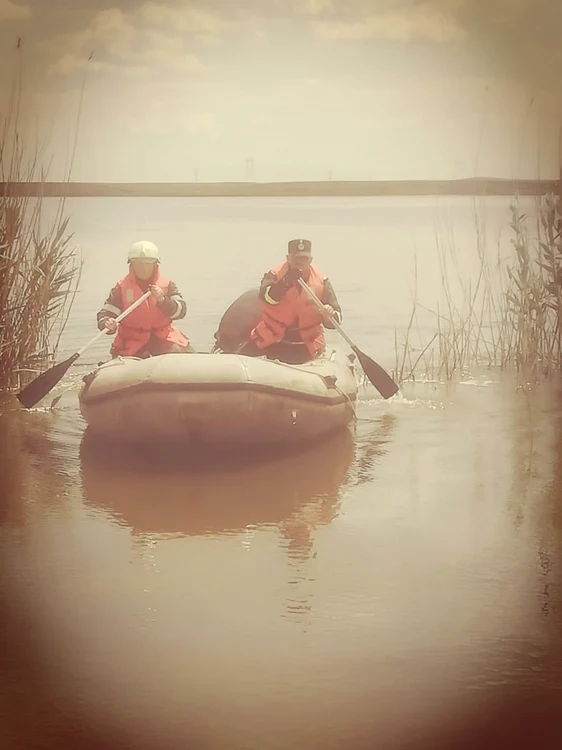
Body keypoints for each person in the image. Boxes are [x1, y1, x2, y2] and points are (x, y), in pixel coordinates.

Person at [237, 238, 342, 365]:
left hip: (306, 344)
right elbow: (267, 298)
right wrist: (285, 281)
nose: (299, 262)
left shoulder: (321, 281)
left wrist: (328, 315)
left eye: (303, 259)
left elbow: (337, 320)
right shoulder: (274, 275)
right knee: (237, 361)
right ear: (288, 258)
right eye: (296, 258)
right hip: (273, 339)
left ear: (310, 260)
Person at [96, 240, 195, 358]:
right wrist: (107, 323)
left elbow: (181, 311)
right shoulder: (121, 288)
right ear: (131, 265)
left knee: (181, 352)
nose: (143, 268)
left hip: (163, 337)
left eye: (148, 264)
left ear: (155, 265)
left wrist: (163, 300)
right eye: (139, 264)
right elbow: (106, 313)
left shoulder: (167, 285)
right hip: (133, 341)